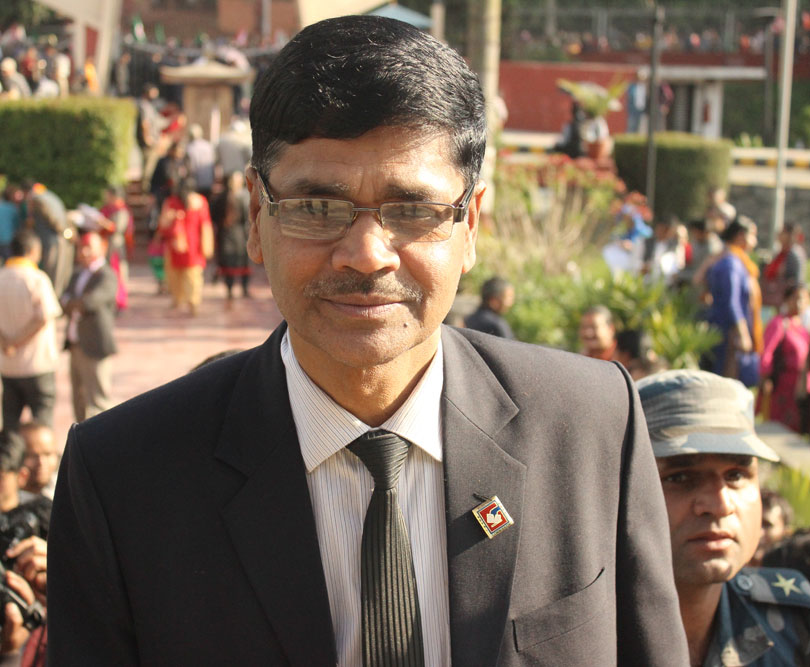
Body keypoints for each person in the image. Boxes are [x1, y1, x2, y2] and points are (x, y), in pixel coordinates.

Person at [48, 16, 689, 665]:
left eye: (412, 210)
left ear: (470, 224)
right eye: (316, 208)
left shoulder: (591, 425)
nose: (366, 254)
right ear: (256, 214)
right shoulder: (125, 478)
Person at [637, 369, 810, 667]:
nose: (720, 504)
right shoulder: (577, 638)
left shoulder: (795, 619)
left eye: (736, 475)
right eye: (680, 477)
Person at [0, 231, 61, 432]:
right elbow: (43, 317)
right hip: (37, 364)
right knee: (42, 428)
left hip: (8, 365)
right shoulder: (37, 279)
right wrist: (16, 341)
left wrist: (6, 342)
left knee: (10, 429)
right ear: (33, 251)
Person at [60, 231, 118, 422]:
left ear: (101, 248)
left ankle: (102, 436)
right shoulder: (77, 273)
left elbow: (90, 302)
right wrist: (74, 304)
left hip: (94, 344)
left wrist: (74, 303)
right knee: (78, 397)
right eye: (81, 248)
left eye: (88, 247)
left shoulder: (106, 275)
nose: (84, 252)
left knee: (98, 399)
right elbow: (63, 300)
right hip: (75, 343)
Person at [705, 217, 762, 387]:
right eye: (752, 235)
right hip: (728, 332)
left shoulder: (735, 261)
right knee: (726, 382)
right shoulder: (731, 264)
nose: (755, 241)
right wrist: (742, 333)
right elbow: (732, 301)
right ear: (740, 236)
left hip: (727, 329)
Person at [158, 171, 214, 316]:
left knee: (176, 275)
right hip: (194, 245)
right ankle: (193, 302)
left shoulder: (172, 202)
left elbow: (162, 225)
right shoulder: (200, 201)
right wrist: (207, 245)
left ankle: (179, 300)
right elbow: (206, 225)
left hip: (176, 244)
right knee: (193, 276)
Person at [757, 284, 810, 432]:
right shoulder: (779, 324)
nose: (799, 303)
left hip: (798, 388)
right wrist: (765, 377)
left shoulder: (803, 329)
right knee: (777, 428)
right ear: (787, 300)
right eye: (796, 298)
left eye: (804, 299)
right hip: (781, 385)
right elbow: (766, 352)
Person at [211, 170, 251, 304]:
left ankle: (244, 288)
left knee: (242, 260)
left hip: (239, 232)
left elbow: (248, 216)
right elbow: (214, 213)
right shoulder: (223, 197)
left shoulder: (244, 196)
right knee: (228, 261)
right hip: (228, 233)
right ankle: (230, 288)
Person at [762, 222, 807, 308]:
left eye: (782, 232)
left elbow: (794, 281)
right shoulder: (782, 253)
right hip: (776, 299)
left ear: (789, 235)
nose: (778, 235)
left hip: (786, 301)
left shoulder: (794, 254)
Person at [18, 422, 58, 499]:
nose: (41, 462)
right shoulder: (7, 500)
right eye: (32, 455)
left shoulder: (70, 489)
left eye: (47, 454)